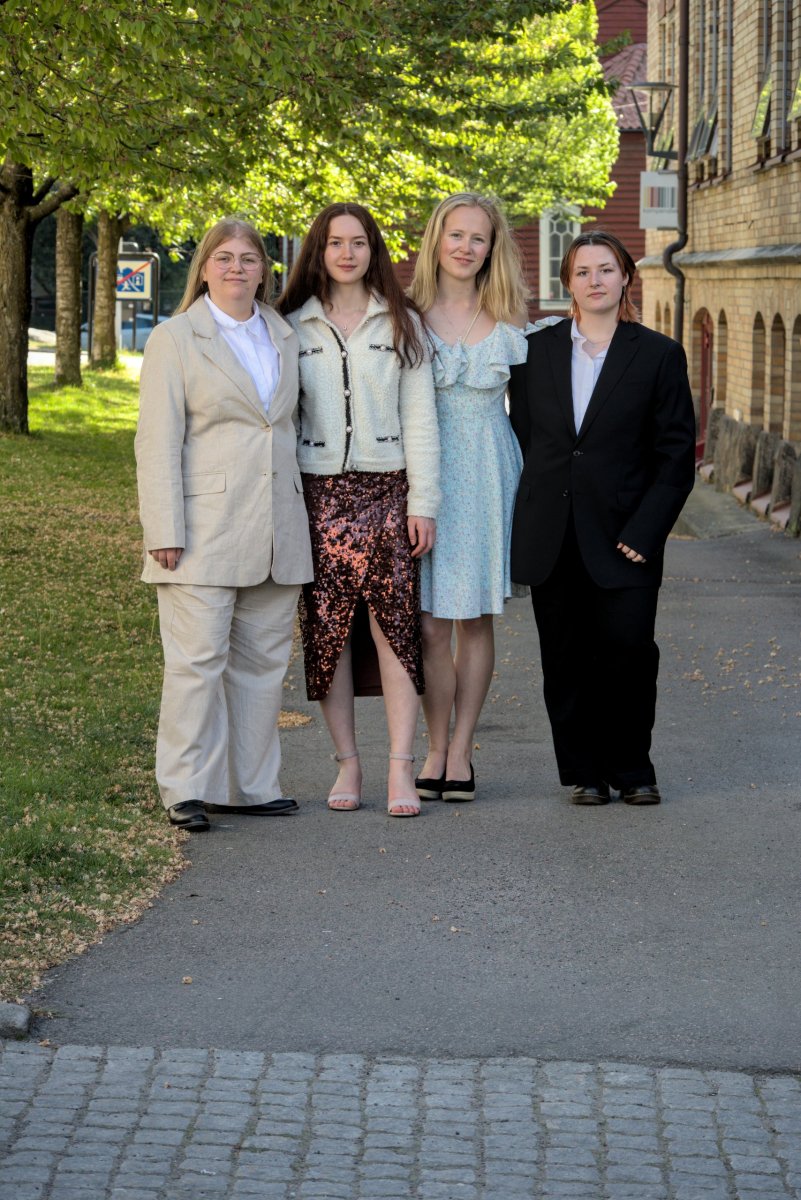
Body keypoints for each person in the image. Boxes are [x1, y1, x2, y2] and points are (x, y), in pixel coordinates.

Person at [135, 218, 313, 832]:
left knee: (262, 666)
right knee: (196, 664)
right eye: (224, 257)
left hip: (277, 526)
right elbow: (157, 441)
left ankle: (249, 786)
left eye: (248, 258)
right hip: (202, 527)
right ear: (205, 268)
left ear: (265, 270)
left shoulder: (285, 335)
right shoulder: (175, 338)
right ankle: (185, 787)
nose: (237, 267)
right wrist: (163, 527)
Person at [508, 228, 696, 806]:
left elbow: (675, 454)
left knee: (629, 654)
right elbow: (528, 439)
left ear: (625, 278)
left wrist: (647, 530)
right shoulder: (534, 352)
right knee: (564, 660)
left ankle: (633, 770)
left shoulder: (659, 354)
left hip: (626, 536)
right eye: (584, 271)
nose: (595, 280)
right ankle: (584, 773)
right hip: (554, 534)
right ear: (568, 282)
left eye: (606, 269)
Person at [276, 203, 440, 817]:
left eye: (359, 242)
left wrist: (423, 502)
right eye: (335, 243)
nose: (347, 253)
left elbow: (421, 419)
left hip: (389, 493)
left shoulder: (402, 321)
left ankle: (401, 766)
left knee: (395, 631)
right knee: (328, 634)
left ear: (374, 251)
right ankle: (348, 763)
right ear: (318, 252)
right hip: (318, 497)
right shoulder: (291, 326)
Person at [408, 192, 541, 804]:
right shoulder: (406, 315)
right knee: (430, 625)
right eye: (456, 235)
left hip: (489, 472)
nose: (465, 247)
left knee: (474, 619)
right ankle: (434, 746)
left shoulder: (510, 319)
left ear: (492, 248)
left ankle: (462, 749)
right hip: (426, 475)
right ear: (437, 240)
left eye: (478, 237)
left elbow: (540, 413)